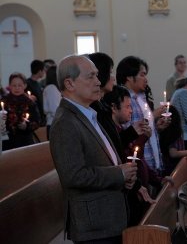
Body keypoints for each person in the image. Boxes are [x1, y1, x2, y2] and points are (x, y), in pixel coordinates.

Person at [50, 55, 138, 243]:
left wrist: (125, 177)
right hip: (94, 227)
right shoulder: (65, 122)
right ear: (70, 83)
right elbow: (74, 175)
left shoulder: (88, 114)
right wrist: (118, 174)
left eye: (97, 75)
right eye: (91, 76)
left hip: (108, 220)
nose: (98, 81)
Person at [103, 85, 156, 225]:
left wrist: (143, 138)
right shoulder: (113, 134)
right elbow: (126, 158)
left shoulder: (121, 130)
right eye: (127, 107)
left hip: (136, 188)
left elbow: (138, 158)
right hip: (126, 195)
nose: (131, 110)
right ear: (114, 108)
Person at [116, 55, 169, 174]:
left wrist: (157, 128)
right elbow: (128, 135)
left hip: (153, 166)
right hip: (139, 167)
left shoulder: (141, 98)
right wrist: (152, 116)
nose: (146, 79)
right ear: (129, 77)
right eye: (142, 75)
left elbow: (144, 131)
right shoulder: (124, 101)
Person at [159, 105, 187, 175]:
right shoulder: (173, 132)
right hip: (173, 167)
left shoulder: (163, 131)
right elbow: (173, 153)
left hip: (166, 166)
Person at [2, 72, 40, 150]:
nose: (17, 88)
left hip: (25, 141)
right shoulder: (4, 101)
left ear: (25, 86)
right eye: (14, 85)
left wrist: (26, 126)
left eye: (20, 85)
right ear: (9, 86)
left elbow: (37, 121)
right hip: (8, 142)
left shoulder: (29, 102)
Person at [42, 66, 61, 139]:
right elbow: (54, 109)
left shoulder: (54, 87)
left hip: (57, 123)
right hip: (54, 124)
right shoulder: (51, 88)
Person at [26, 59, 46, 124]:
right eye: (43, 70)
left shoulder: (38, 84)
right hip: (33, 118)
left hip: (41, 117)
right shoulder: (27, 84)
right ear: (40, 71)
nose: (44, 72)